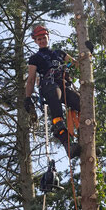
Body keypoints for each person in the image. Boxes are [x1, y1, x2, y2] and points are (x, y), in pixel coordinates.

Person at [24, 24, 81, 158]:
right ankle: (67, 142)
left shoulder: (59, 53)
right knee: (55, 94)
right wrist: (27, 98)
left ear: (48, 37)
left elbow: (76, 65)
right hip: (49, 86)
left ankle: (86, 139)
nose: (42, 41)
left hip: (64, 85)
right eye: (39, 39)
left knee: (80, 102)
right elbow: (31, 79)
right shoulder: (35, 58)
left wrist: (87, 54)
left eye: (43, 37)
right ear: (35, 41)